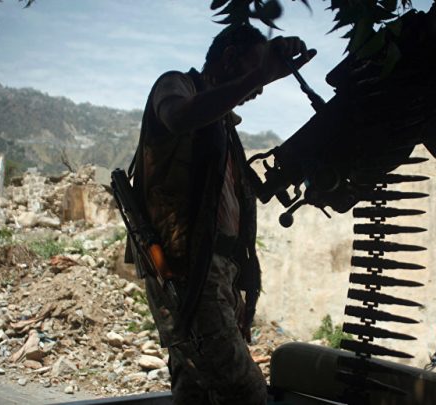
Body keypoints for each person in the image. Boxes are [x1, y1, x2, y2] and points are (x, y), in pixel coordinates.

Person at [127, 24, 316, 404]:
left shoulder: (222, 125)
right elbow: (179, 117)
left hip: (217, 271)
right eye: (254, 69)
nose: (259, 88)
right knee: (246, 393)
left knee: (195, 391)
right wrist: (259, 75)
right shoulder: (175, 85)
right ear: (229, 58)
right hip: (189, 270)